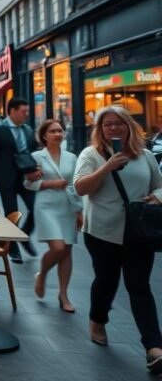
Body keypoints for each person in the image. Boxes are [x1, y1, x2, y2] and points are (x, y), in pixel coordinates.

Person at [74, 106, 162, 370]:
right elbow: (80, 187)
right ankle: (97, 319)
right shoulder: (91, 154)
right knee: (106, 281)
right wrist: (107, 167)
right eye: (107, 125)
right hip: (103, 231)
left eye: (118, 124)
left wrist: (157, 197)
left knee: (139, 287)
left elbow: (158, 183)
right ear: (100, 130)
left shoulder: (144, 155)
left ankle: (153, 346)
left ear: (128, 126)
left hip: (139, 231)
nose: (113, 128)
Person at [24, 119, 82, 313]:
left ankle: (63, 294)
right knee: (57, 248)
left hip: (68, 206)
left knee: (67, 250)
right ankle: (42, 274)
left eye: (60, 131)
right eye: (53, 131)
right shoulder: (36, 156)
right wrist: (49, 184)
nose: (58, 134)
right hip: (46, 206)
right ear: (44, 136)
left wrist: (79, 211)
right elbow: (28, 184)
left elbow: (76, 184)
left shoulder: (72, 157)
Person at [0, 97, 39, 263]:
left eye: (27, 111)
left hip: (25, 177)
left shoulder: (28, 130)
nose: (26, 115)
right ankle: (13, 248)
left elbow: (32, 153)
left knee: (35, 207)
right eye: (23, 111)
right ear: (13, 111)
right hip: (5, 177)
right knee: (12, 212)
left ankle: (25, 235)